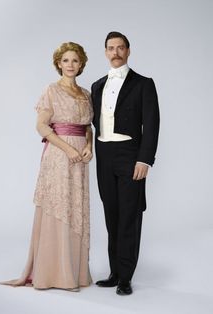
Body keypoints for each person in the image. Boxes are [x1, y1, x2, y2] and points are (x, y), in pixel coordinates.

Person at [0, 42, 93, 291]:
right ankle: (56, 275)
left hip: (80, 161)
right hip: (59, 156)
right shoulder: (51, 90)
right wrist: (68, 148)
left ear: (81, 64)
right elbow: (41, 126)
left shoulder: (86, 93)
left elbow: (88, 127)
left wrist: (89, 147)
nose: (70, 65)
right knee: (59, 206)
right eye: (65, 61)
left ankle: (75, 273)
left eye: (75, 60)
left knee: (75, 210)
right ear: (58, 64)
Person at [91, 31, 160, 295]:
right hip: (104, 155)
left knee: (130, 215)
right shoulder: (97, 85)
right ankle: (114, 272)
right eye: (111, 48)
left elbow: (152, 124)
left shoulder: (143, 83)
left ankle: (126, 277)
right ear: (106, 52)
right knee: (112, 214)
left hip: (130, 154)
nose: (116, 52)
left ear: (128, 51)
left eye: (121, 47)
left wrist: (145, 159)